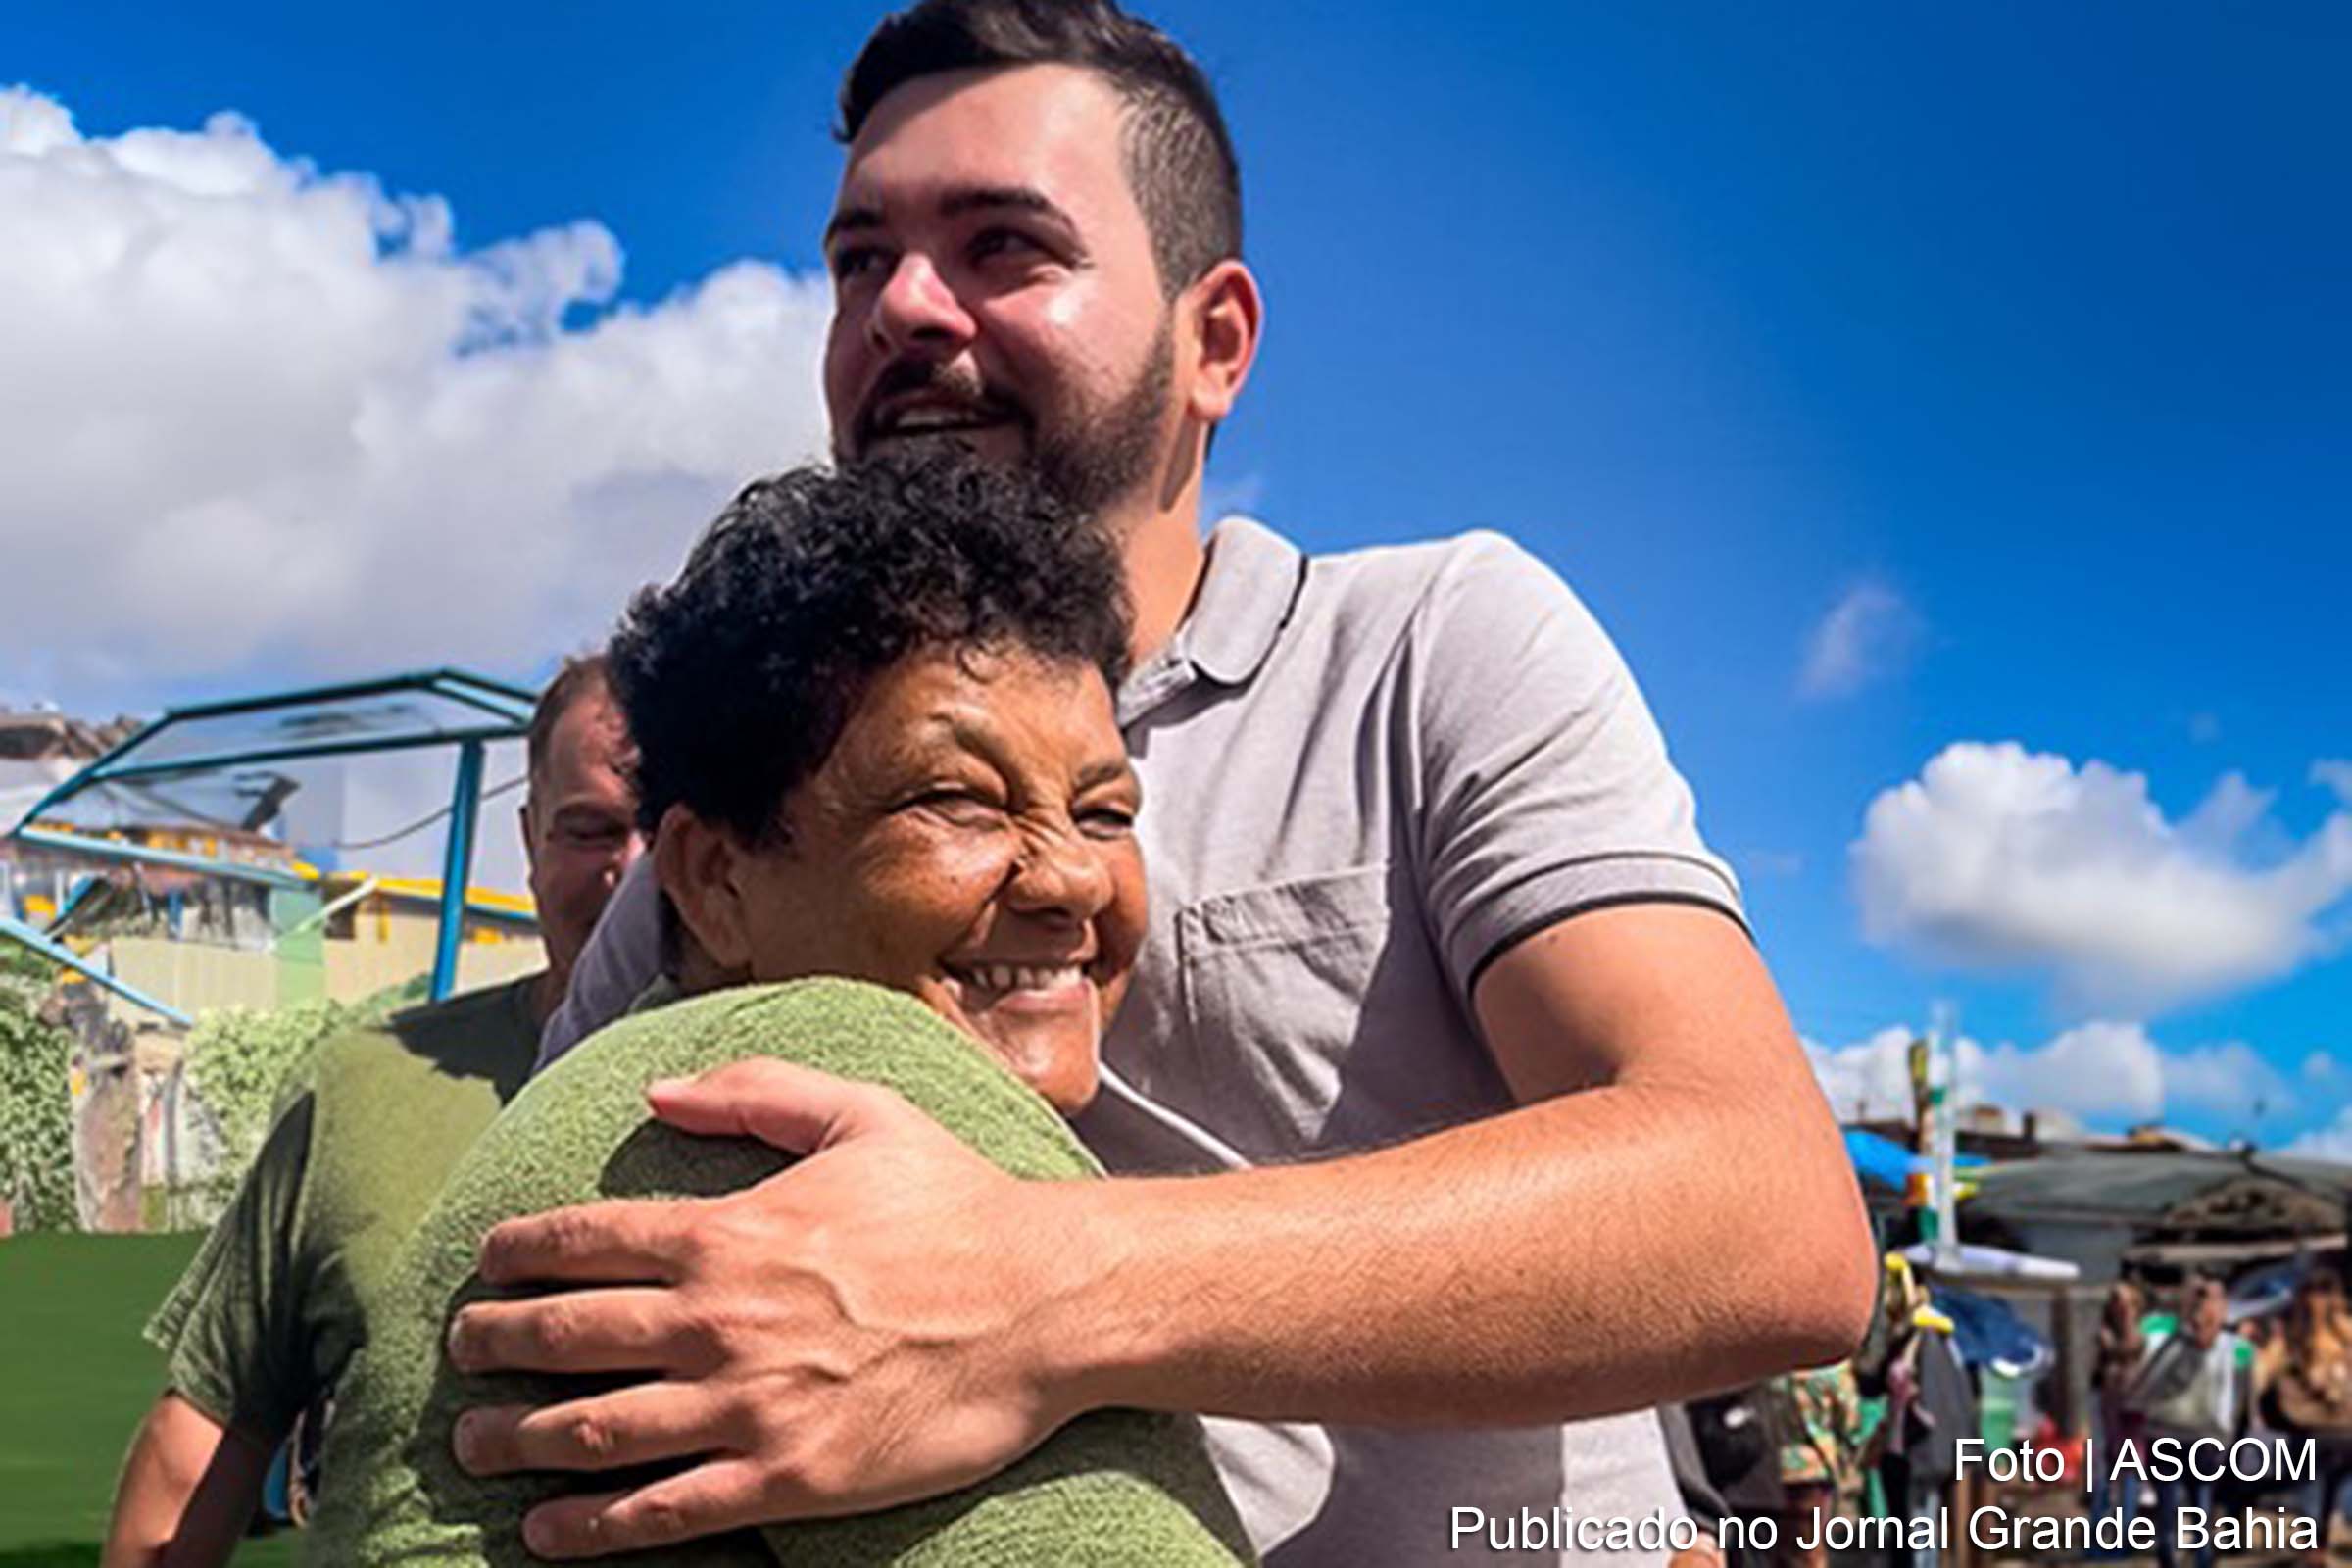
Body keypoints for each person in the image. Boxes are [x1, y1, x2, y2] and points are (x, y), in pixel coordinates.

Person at [475, 2, 1878, 1561]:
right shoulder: (756, 797)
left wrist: (1033, 1289)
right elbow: (530, 1250)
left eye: (1003, 247)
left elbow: (1765, 1212)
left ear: (1214, 343)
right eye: (860, 261)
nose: (904, 310)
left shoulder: (1427, 648)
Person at [304, 455, 1250, 1565]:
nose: (1073, 879)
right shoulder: (823, 1065)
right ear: (716, 881)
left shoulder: (645, 1076)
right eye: (956, 799)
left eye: (1104, 813)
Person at [102, 658, 643, 1568]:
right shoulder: (363, 1086)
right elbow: (205, 1430)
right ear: (529, 839)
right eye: (591, 830)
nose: (632, 874)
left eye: (674, 827)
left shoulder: (831, 1097)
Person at [2132, 1278, 2253, 1568]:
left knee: (2189, 1501)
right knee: (2182, 1501)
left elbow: (2242, 1390)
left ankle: (2192, 1556)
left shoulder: (2232, 1347)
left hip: (2198, 1434)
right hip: (2176, 1432)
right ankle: (2182, 1556)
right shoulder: (2170, 1340)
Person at [2257, 1268, 2352, 1568]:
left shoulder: (2298, 1335)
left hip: (2321, 1426)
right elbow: (2262, 1369)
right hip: (2328, 1427)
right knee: (2321, 1487)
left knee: (2315, 1486)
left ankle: (2317, 1545)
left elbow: (2261, 1370)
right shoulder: (2334, 1332)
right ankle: (2320, 1545)